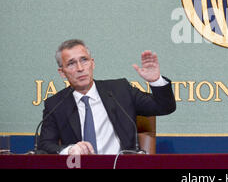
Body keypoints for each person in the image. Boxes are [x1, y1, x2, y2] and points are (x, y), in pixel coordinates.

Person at [37, 39, 176, 155]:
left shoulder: (120, 90)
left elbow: (164, 107)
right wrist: (69, 150)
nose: (80, 68)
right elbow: (44, 145)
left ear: (92, 63)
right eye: (71, 63)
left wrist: (155, 80)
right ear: (62, 72)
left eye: (84, 60)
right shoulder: (56, 104)